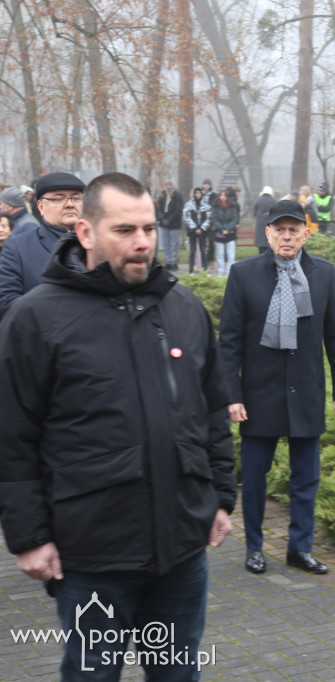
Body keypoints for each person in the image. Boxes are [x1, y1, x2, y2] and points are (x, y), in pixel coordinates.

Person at [0, 172, 236, 680]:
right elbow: (12, 433)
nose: (142, 243)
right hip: (91, 556)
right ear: (85, 232)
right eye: (124, 230)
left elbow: (212, 407)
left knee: (176, 672)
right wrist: (28, 535)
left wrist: (220, 495)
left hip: (181, 551)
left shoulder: (183, 307)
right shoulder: (35, 318)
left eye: (149, 228)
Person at [219, 199, 335, 576]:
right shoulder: (243, 274)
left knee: (306, 479)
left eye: (294, 229)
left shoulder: (323, 273)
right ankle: (255, 548)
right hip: (259, 394)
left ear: (306, 233)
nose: (287, 236)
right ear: (268, 233)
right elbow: (228, 342)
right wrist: (232, 395)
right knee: (256, 477)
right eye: (280, 229)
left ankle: (300, 548)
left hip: (306, 392)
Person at [0, 171, 86, 321]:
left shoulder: (97, 244)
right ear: (40, 206)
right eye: (59, 199)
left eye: (76, 198)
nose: (70, 204)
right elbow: (7, 302)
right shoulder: (18, 246)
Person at [210, 189, 239, 276]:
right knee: (220, 254)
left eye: (224, 195)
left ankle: (229, 272)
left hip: (231, 233)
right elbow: (214, 219)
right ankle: (221, 272)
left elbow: (235, 219)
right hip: (219, 233)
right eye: (221, 195)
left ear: (227, 196)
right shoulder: (215, 206)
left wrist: (228, 229)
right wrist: (222, 229)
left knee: (231, 255)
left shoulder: (232, 206)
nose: (223, 197)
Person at [156, 181, 184, 271]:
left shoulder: (177, 196)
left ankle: (174, 262)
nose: (168, 187)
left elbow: (178, 210)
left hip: (173, 224)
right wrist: (162, 219)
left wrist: (169, 220)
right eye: (167, 185)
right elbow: (158, 208)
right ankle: (168, 262)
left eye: (170, 185)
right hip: (164, 224)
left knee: (173, 245)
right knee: (165, 245)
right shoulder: (162, 195)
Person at [183, 187, 211, 274]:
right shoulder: (189, 204)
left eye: (199, 193)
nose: (198, 195)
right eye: (196, 193)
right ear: (194, 194)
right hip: (192, 231)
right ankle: (191, 270)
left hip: (203, 231)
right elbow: (186, 216)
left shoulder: (206, 205)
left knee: (203, 251)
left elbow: (209, 217)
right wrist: (194, 228)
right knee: (192, 251)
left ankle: (205, 270)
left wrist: (202, 228)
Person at [253, 186, 275, 254]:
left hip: (260, 228)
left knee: (261, 251)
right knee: (271, 249)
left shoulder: (258, 200)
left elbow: (254, 213)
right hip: (271, 226)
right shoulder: (274, 201)